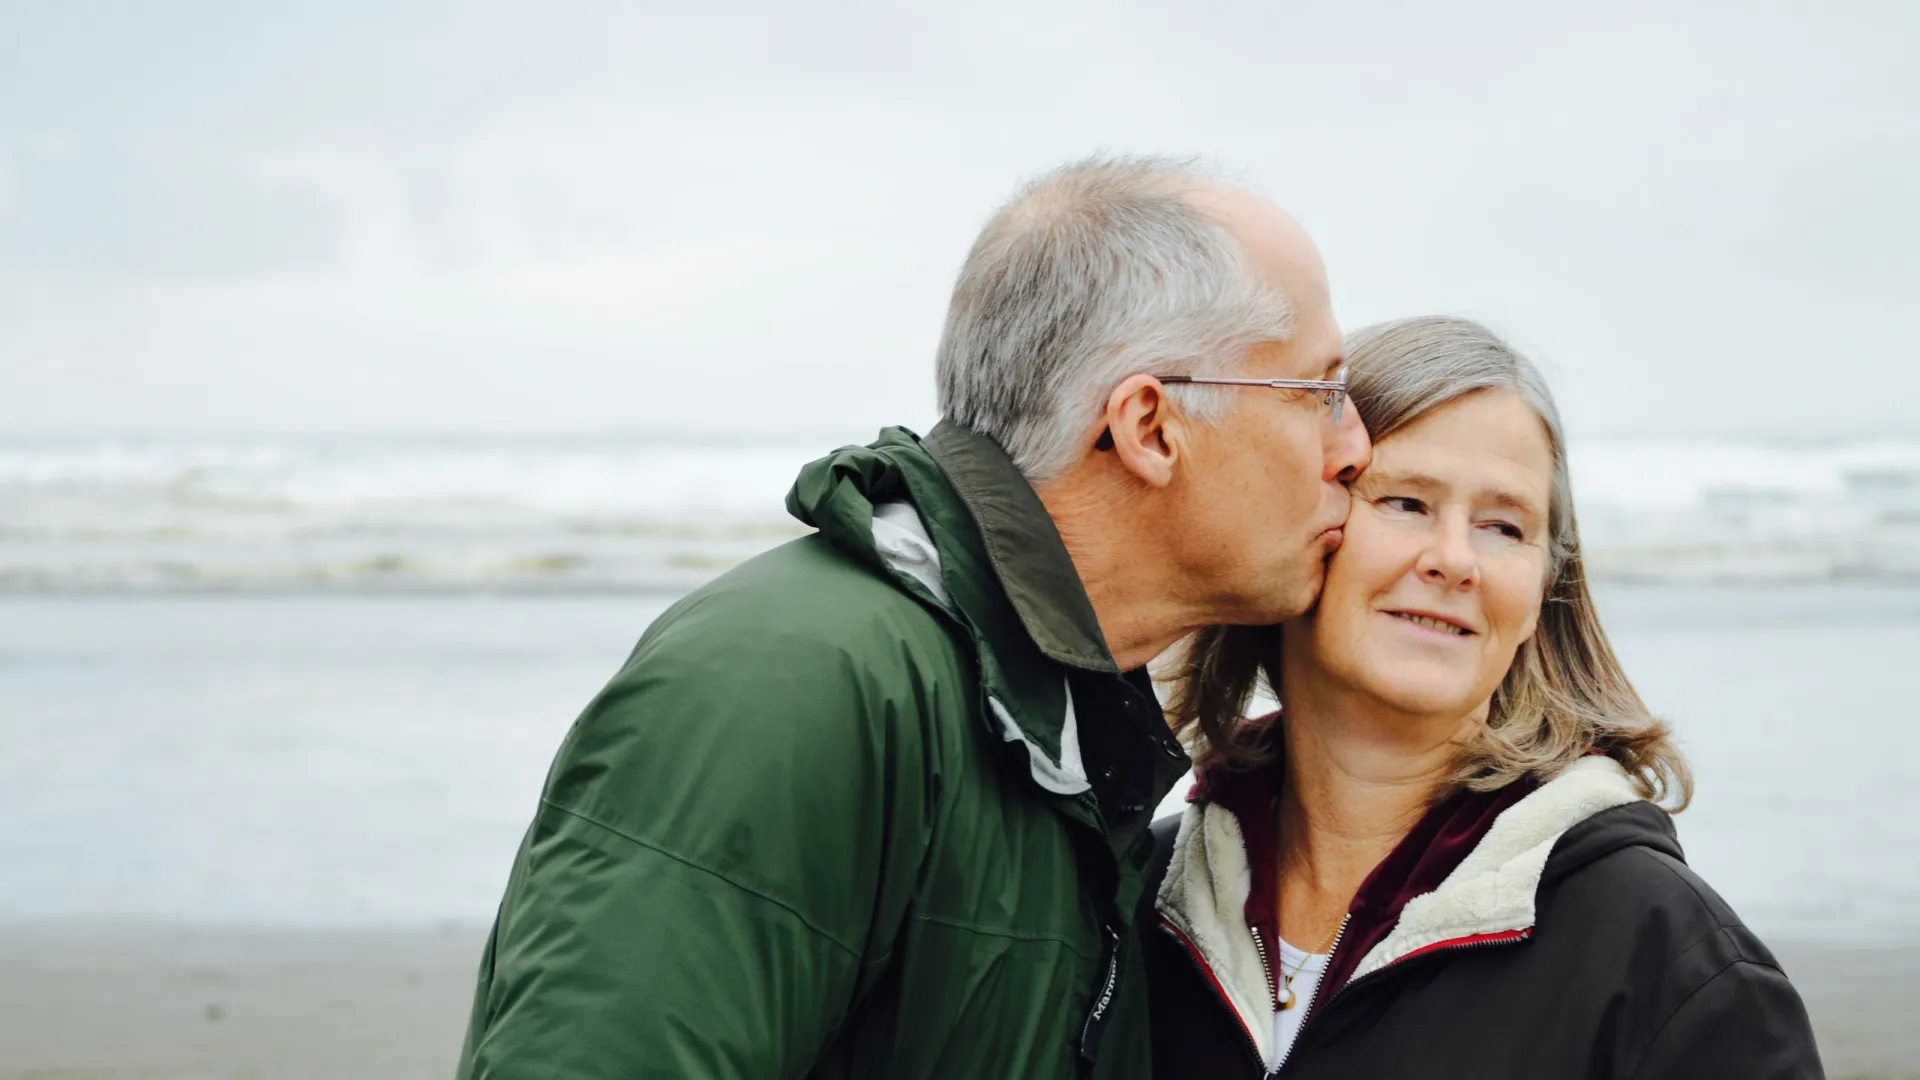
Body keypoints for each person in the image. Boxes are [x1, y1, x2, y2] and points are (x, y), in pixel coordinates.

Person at [454, 155, 1371, 1080]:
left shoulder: (1053, 719)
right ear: (1149, 426)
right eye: (1320, 394)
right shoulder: (798, 684)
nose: (1355, 449)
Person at [1143, 315, 1824, 1078]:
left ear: (1542, 590)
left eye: (1504, 525)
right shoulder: (1144, 897)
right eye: (1405, 502)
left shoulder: (1666, 956)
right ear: (1302, 522)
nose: (1456, 560)